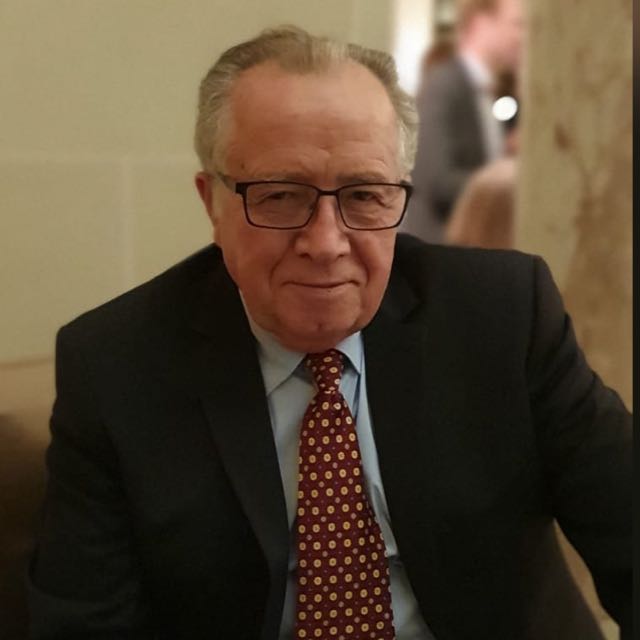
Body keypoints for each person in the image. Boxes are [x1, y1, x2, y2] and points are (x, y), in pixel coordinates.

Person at [28, 25, 631, 640]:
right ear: (213, 203)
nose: (325, 243)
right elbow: (81, 623)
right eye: (280, 196)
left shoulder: (502, 316)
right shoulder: (115, 368)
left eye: (364, 195)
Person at [403, 0, 524, 243]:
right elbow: (437, 181)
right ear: (481, 23)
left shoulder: (486, 90)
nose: (521, 36)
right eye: (516, 24)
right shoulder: (445, 84)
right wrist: (513, 181)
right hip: (439, 247)